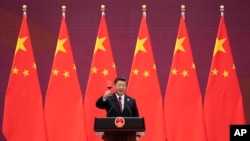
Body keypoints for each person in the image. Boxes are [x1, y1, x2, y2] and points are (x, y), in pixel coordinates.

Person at [96, 76, 140, 141]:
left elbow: (136, 118)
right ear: (114, 86)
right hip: (111, 134)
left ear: (126, 87)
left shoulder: (131, 101)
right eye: (119, 85)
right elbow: (99, 105)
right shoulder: (109, 98)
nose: (121, 87)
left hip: (128, 135)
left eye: (123, 85)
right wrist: (104, 97)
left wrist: (137, 135)